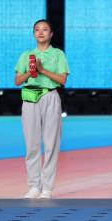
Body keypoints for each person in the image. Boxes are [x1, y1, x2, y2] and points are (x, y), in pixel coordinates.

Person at [15, 19, 69, 199]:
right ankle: (33, 186)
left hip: (49, 96)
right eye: (37, 29)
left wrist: (42, 70)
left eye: (45, 29)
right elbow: (17, 81)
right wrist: (30, 72)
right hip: (30, 97)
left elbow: (62, 80)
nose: (40, 32)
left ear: (51, 34)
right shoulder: (26, 55)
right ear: (33, 34)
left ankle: (47, 188)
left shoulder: (58, 54)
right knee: (32, 144)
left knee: (51, 143)